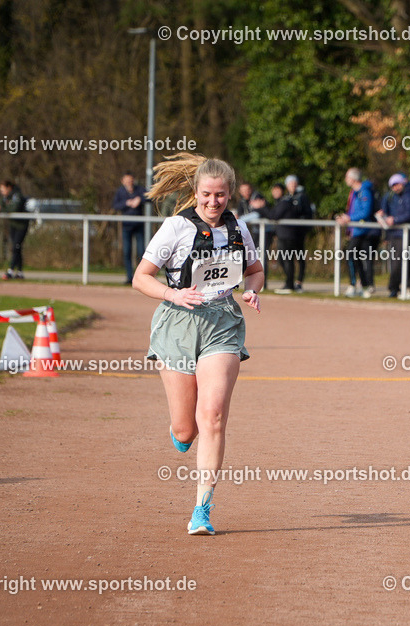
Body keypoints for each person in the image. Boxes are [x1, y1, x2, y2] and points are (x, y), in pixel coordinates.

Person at [132, 152, 263, 535]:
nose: (213, 202)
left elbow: (254, 272)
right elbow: (141, 278)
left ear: (230, 195)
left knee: (214, 415)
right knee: (186, 429)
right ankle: (180, 433)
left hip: (222, 323)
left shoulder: (238, 228)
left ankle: (202, 509)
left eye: (220, 196)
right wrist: (174, 296)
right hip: (178, 324)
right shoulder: (175, 227)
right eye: (206, 194)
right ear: (195, 191)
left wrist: (252, 292)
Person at [376, 173, 410, 298]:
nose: (395, 187)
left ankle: (394, 288)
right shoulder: (393, 196)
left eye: (397, 184)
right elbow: (390, 211)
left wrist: (395, 220)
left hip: (406, 234)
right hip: (395, 234)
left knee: (401, 261)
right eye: (393, 186)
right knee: (405, 261)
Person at [335, 168, 379, 298]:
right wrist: (346, 217)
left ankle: (355, 285)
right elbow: (354, 210)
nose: (346, 180)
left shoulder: (363, 191)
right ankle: (362, 285)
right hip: (357, 230)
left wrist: (349, 218)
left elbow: (365, 212)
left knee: (352, 254)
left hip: (364, 230)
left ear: (353, 179)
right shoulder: (354, 192)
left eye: (347, 177)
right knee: (356, 257)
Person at [272, 175, 313, 293]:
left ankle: (298, 282)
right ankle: (290, 281)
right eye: (290, 183)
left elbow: (307, 213)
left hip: (298, 233)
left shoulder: (302, 197)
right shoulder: (286, 198)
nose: (293, 185)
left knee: (299, 257)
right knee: (284, 257)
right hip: (288, 233)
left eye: (294, 183)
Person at [0, 180, 30, 280]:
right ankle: (20, 273)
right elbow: (2, 205)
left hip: (22, 225)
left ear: (9, 188)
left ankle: (10, 271)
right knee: (17, 248)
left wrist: (0, 209)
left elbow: (13, 208)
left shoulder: (17, 196)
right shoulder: (6, 197)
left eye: (2, 189)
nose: (1, 192)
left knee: (16, 247)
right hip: (13, 225)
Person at [113, 172, 147, 284]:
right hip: (126, 226)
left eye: (131, 181)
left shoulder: (140, 189)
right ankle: (129, 277)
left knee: (142, 252)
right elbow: (115, 205)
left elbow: (150, 197)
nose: (129, 183)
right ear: (123, 181)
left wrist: (140, 200)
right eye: (127, 181)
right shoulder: (120, 192)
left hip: (139, 226)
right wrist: (126, 203)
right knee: (127, 251)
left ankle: (143, 277)